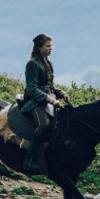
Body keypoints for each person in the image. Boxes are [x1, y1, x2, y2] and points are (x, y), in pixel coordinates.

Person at [20, 33, 69, 173]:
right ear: (39, 47)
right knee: (44, 125)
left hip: (47, 100)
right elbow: (32, 89)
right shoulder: (32, 64)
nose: (51, 48)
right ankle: (28, 161)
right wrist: (51, 100)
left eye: (51, 46)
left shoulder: (48, 64)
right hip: (34, 102)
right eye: (48, 46)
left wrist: (61, 93)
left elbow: (49, 86)